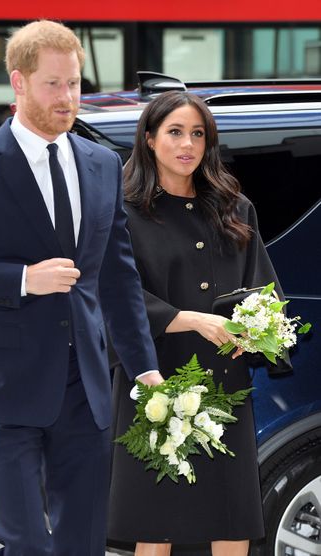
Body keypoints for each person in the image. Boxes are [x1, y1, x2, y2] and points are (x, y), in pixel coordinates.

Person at [0, 20, 161, 556]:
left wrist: (144, 367)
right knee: (27, 542)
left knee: (83, 543)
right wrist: (22, 280)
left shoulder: (103, 164)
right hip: (6, 389)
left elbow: (118, 275)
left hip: (87, 388)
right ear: (19, 83)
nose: (68, 97)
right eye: (53, 84)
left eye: (75, 83)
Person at [107, 90, 285, 556]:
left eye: (198, 134)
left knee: (231, 516)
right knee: (157, 521)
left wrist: (260, 334)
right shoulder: (122, 212)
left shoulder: (234, 207)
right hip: (156, 382)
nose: (188, 144)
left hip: (226, 383)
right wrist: (186, 319)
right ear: (148, 139)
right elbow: (112, 295)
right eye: (175, 132)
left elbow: (263, 288)